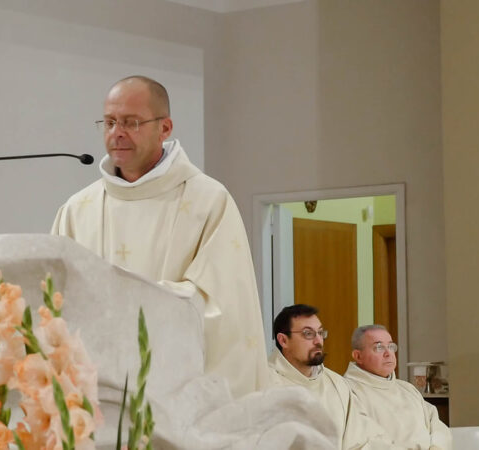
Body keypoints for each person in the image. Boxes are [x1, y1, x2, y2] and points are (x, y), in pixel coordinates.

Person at [51, 75, 267, 398]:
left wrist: (125, 304)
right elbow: (54, 299)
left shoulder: (208, 202)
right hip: (97, 395)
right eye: (109, 122)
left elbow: (222, 305)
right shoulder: (77, 209)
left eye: (131, 122)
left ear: (164, 128)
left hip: (176, 393)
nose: (117, 133)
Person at [267, 304, 386, 448]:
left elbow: (362, 441)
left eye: (320, 333)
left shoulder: (337, 384)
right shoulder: (264, 384)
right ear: (283, 340)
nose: (318, 341)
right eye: (308, 334)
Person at [344, 325, 452, 449]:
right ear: (358, 356)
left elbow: (437, 427)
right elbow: (360, 442)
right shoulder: (348, 392)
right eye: (379, 347)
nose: (388, 353)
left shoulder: (407, 389)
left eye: (391, 346)